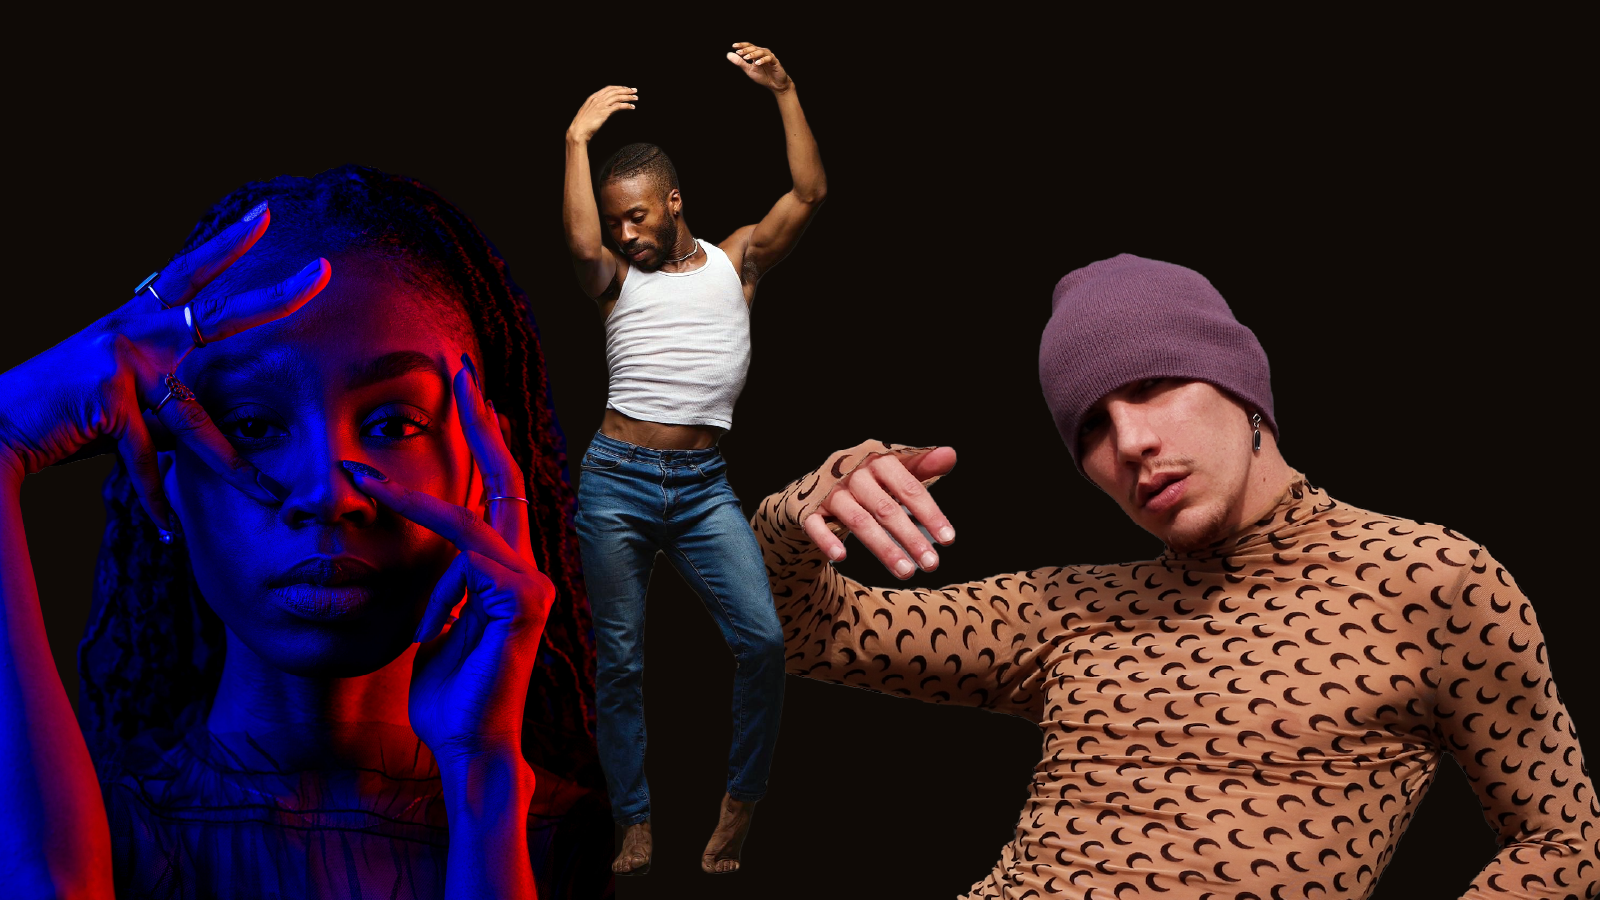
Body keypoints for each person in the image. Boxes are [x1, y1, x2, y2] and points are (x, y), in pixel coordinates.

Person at [751, 254, 1597, 899]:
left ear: (1242, 384)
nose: (1130, 444)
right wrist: (795, 516)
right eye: (1092, 427)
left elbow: (1562, 841)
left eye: (1152, 386)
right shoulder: (1069, 607)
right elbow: (796, 631)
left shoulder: (1429, 582)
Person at [0, 166, 611, 899]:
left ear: (487, 465)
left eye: (393, 424)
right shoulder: (84, 833)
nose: (325, 493)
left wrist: (483, 778)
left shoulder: (599, 850)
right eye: (251, 425)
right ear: (165, 472)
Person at [560, 41, 827, 876]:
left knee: (761, 643)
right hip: (615, 481)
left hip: (704, 487)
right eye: (615, 222)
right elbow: (576, 238)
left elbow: (810, 192)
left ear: (673, 202)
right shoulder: (612, 278)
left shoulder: (735, 261)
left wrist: (784, 90)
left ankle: (740, 803)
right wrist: (577, 139)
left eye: (638, 216)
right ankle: (634, 821)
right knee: (623, 658)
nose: (625, 233)